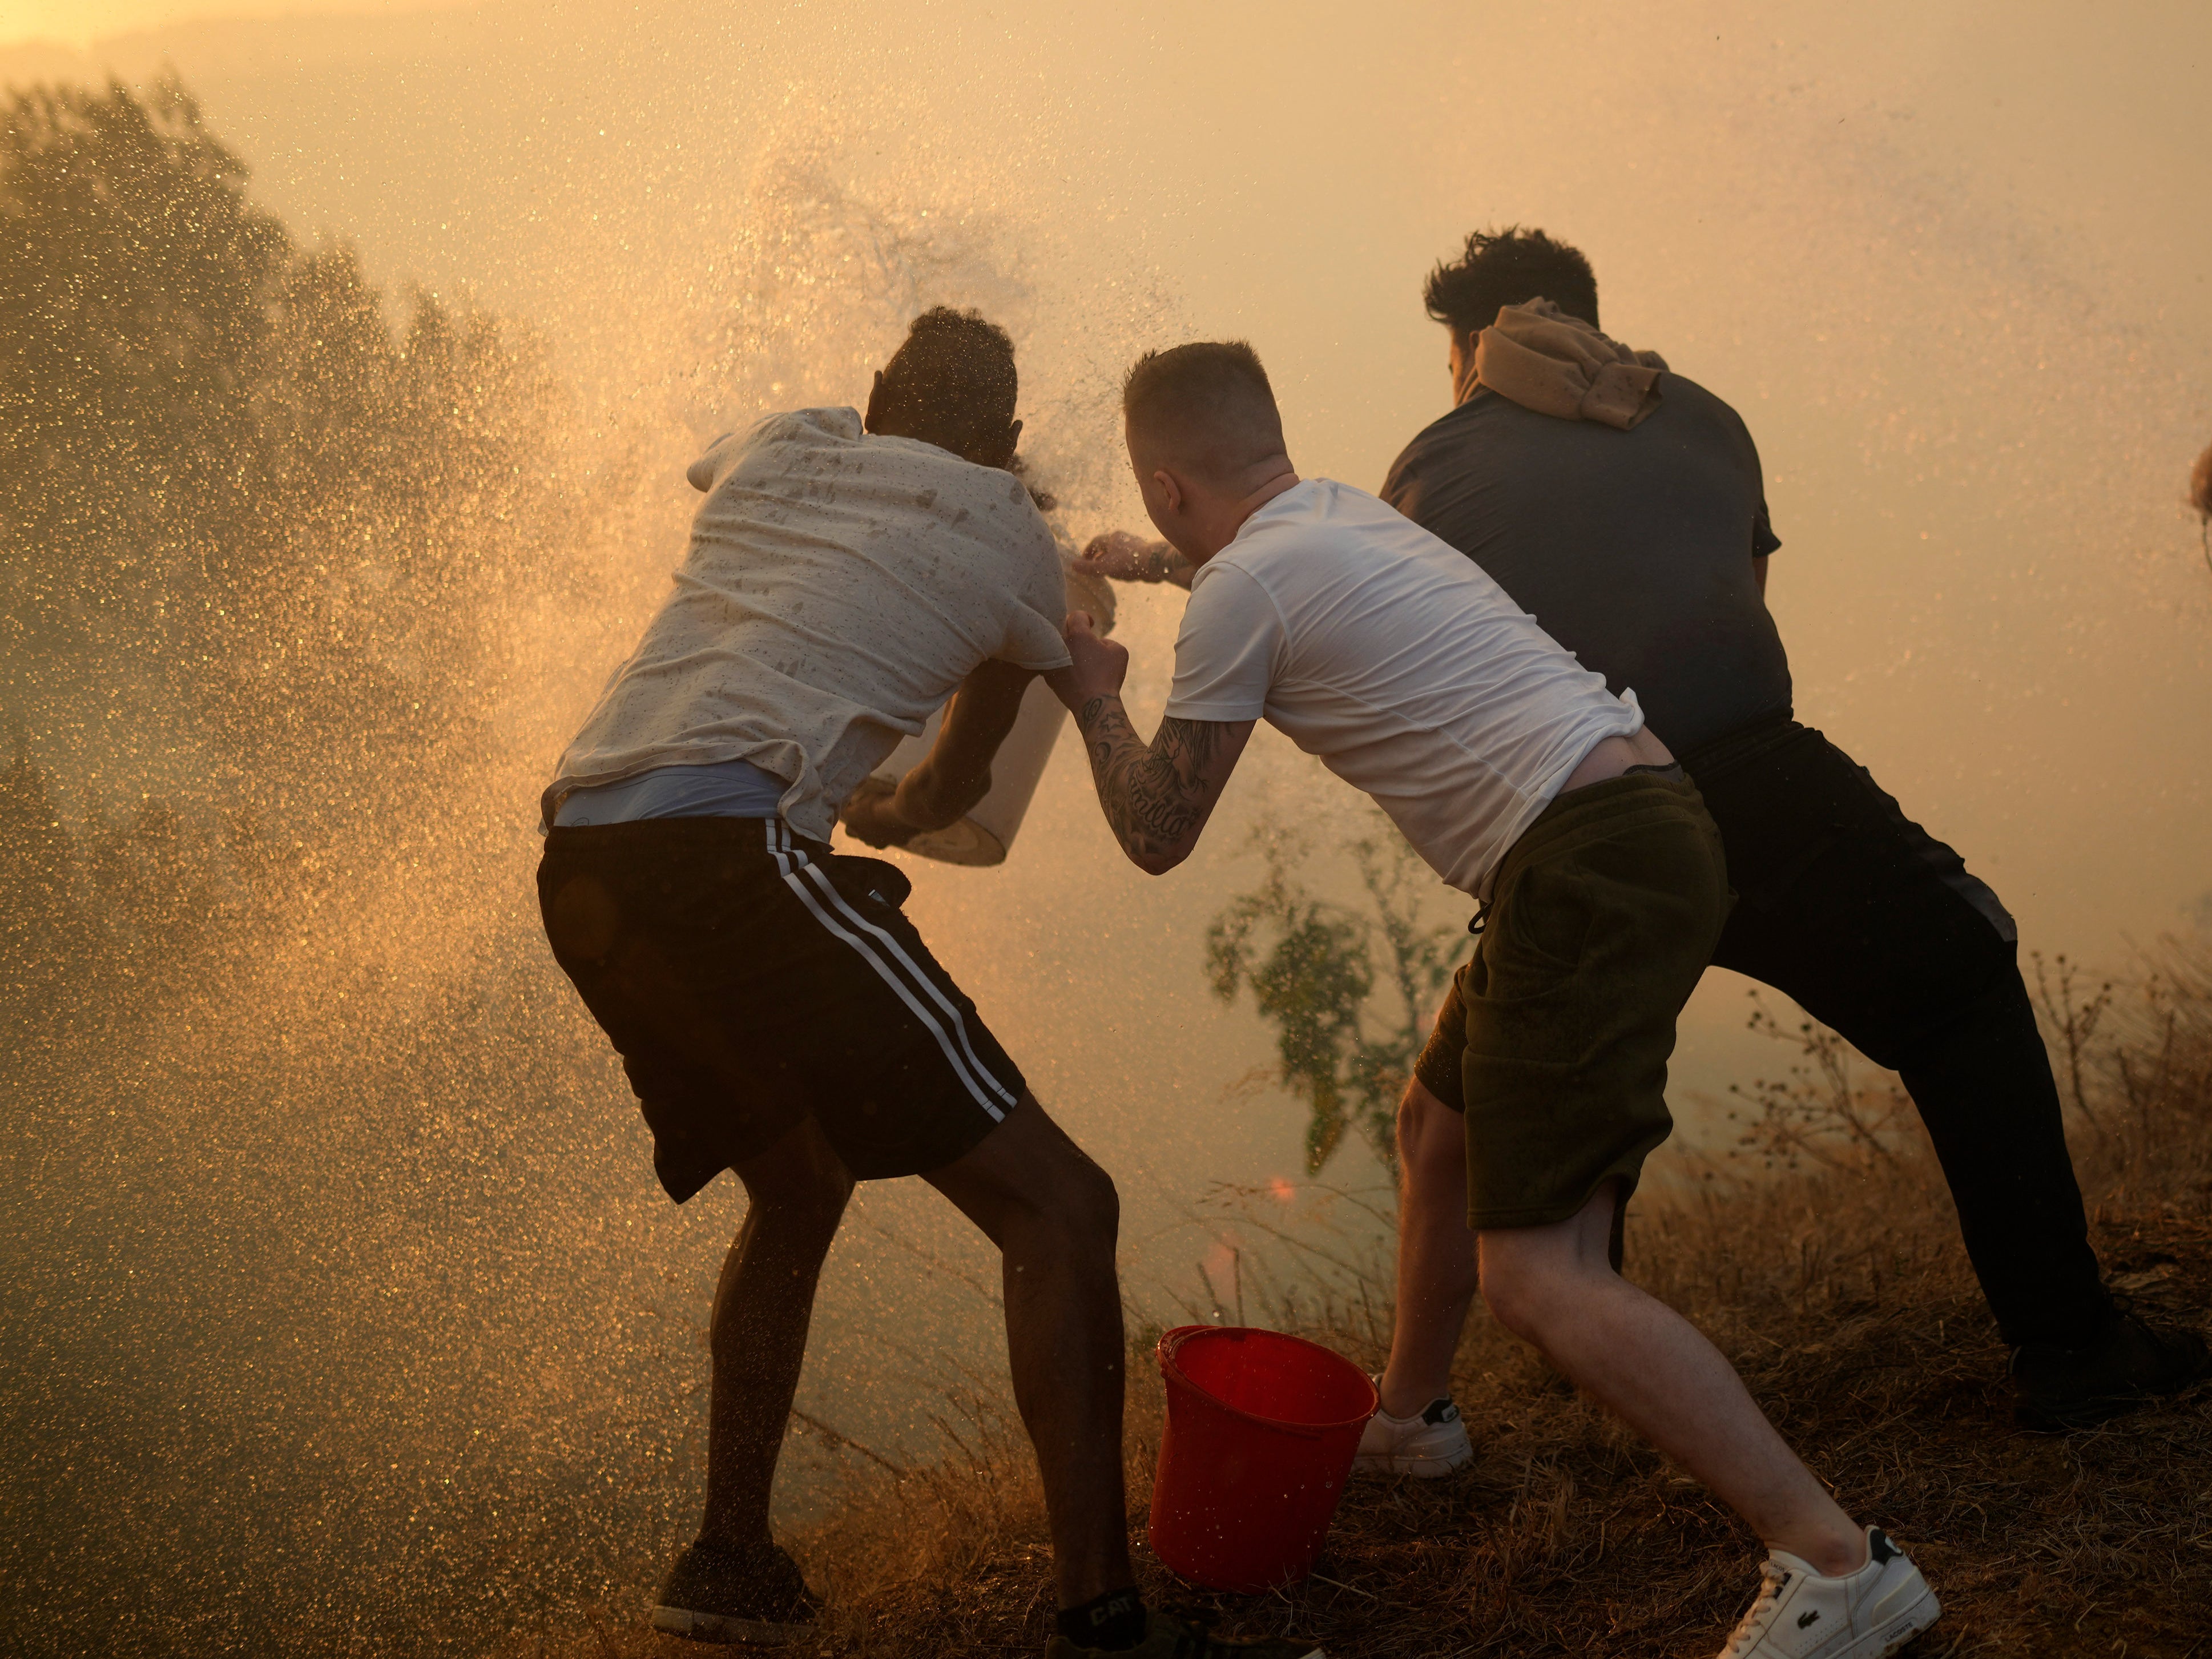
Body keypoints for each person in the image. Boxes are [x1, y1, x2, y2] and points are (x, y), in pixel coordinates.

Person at [1054, 340, 1941, 1659]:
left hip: (1586, 867)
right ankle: (1411, 1423)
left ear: (1171, 483)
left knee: (1538, 1273)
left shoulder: (1247, 588)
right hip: (1630, 824)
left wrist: (1092, 701)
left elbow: (1156, 829)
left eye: (1166, 516)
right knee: (1438, 1121)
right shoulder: (1333, 515)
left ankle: (1834, 1561)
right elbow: (1259, 582)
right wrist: (1159, 566)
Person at [537, 308, 1319, 1659]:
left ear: (871, 396)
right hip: (728, 854)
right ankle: (1102, 1614)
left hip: (585, 851)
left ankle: (729, 1563)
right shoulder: (1014, 539)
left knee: (798, 1182)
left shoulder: (784, 443)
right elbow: (958, 785)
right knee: (1065, 1206)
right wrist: (893, 810)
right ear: (1011, 446)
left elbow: (738, 479)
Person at [1357, 225, 2207, 1462]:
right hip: (1759, 782)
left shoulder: (1433, 466)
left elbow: (1429, 678)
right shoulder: (1702, 414)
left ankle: (1568, 1383)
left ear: (1470, 348)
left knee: (1509, 1094)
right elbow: (1735, 606)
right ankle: (2075, 1348)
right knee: (1963, 981)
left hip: (1577, 822)